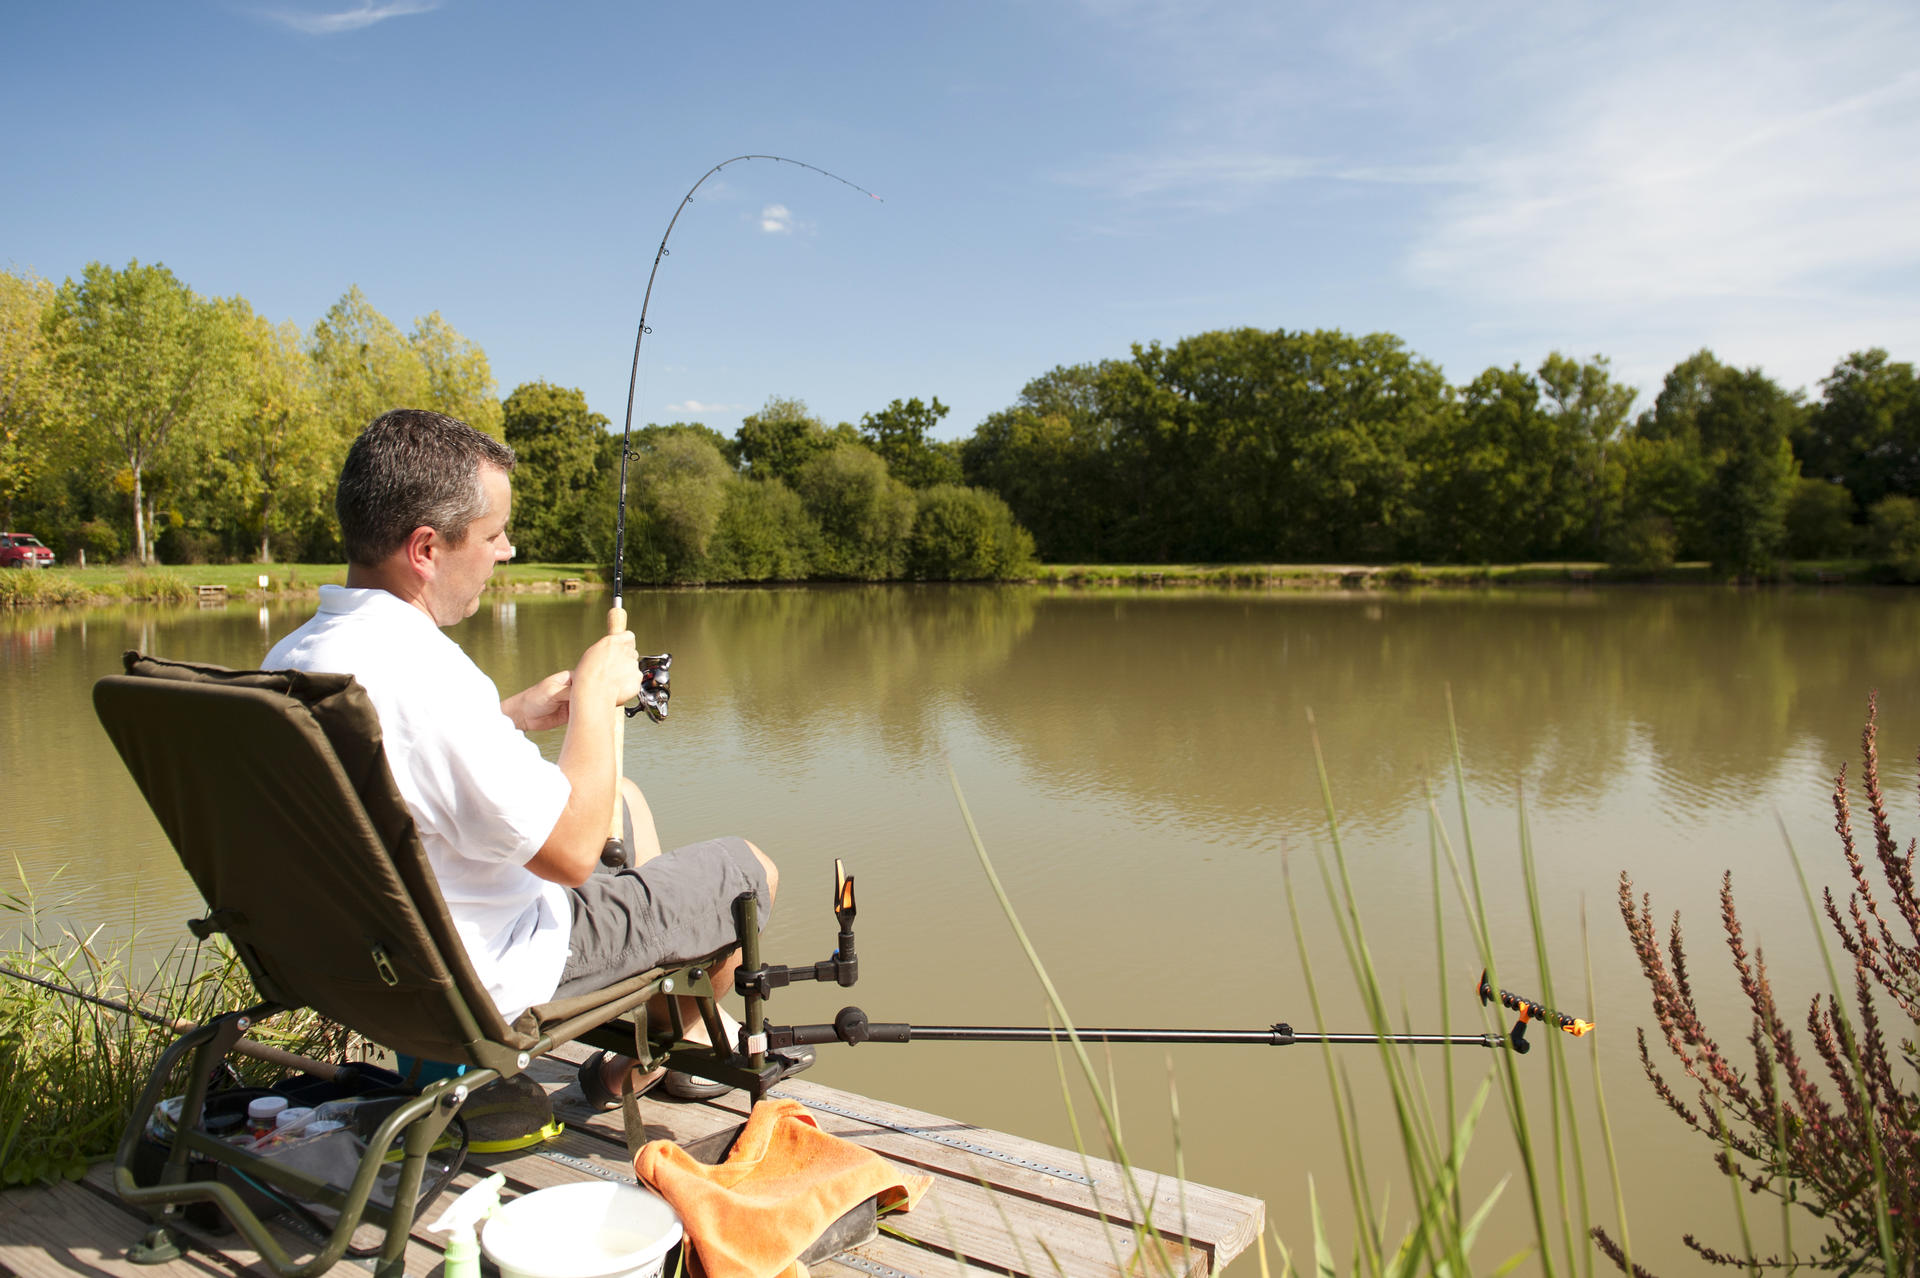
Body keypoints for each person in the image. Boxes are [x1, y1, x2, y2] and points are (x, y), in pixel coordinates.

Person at [266, 407, 798, 1106]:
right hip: (493, 969)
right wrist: (599, 702)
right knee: (747, 871)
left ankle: (667, 1036)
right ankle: (645, 1060)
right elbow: (573, 853)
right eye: (493, 534)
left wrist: (510, 716)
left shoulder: (300, 656)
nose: (507, 549)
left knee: (628, 801)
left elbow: (395, 760)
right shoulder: (427, 672)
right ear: (426, 549)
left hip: (360, 965)